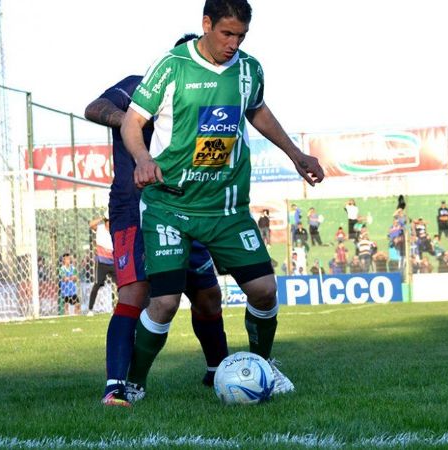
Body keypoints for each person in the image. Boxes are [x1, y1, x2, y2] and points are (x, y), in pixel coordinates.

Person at [120, 0, 324, 398]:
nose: (233, 44)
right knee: (163, 302)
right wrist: (142, 159)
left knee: (264, 289)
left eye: (241, 36)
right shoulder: (172, 66)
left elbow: (258, 112)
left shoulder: (249, 70)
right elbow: (132, 120)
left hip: (226, 207)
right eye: (226, 34)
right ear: (206, 24)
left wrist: (296, 154)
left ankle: (264, 368)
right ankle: (133, 384)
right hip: (169, 205)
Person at [84, 33, 230, 407]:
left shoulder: (204, 100)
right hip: (133, 207)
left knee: (208, 295)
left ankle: (220, 373)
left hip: (186, 208)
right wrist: (131, 120)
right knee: (136, 292)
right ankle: (117, 386)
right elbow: (94, 106)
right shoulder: (139, 86)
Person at [87, 214, 115, 316]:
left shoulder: (115, 230)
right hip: (102, 262)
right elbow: (91, 224)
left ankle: (116, 309)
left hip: (113, 262)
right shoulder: (100, 229)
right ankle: (90, 309)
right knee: (97, 284)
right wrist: (102, 217)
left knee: (121, 286)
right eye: (108, 220)